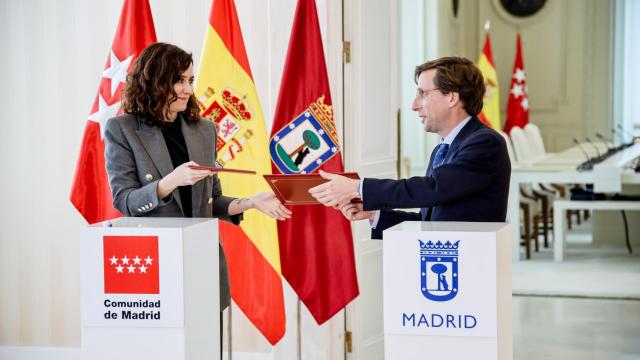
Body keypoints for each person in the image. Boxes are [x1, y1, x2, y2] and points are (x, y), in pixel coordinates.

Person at [104, 42, 292, 311]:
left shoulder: (204, 130)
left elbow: (210, 201)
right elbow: (124, 201)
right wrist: (170, 181)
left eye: (191, 80)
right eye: (179, 80)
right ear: (155, 80)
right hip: (154, 266)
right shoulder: (122, 129)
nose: (188, 89)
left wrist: (250, 202)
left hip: (203, 261)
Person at [309, 56, 510, 239]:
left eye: (422, 93)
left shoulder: (485, 143)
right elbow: (428, 223)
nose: (414, 105)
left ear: (452, 98)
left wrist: (357, 187)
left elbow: (433, 189)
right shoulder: (443, 149)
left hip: (471, 265)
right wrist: (373, 213)